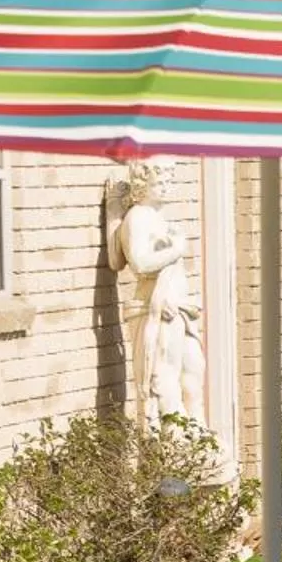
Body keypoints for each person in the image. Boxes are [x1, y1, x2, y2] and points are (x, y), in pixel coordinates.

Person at [110, 159, 208, 434]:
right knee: (165, 375)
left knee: (193, 368)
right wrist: (177, 249)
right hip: (156, 307)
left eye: (168, 182)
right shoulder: (138, 217)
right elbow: (139, 263)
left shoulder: (155, 217)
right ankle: (174, 438)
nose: (166, 188)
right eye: (158, 183)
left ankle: (196, 431)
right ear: (143, 187)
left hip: (179, 308)